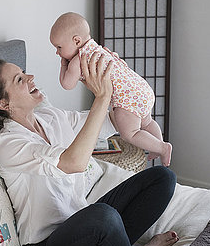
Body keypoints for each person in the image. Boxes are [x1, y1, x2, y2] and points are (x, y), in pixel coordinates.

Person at [0, 53, 179, 246]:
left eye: (24, 73)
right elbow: (74, 163)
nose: (31, 77)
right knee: (104, 215)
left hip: (81, 223)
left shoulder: (52, 117)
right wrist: (101, 97)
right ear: (3, 103)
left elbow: (114, 121)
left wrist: (122, 83)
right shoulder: (7, 144)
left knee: (162, 177)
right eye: (19, 79)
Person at [51, 12, 172, 166]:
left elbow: (66, 84)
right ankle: (157, 144)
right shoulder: (99, 49)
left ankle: (162, 147)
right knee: (147, 123)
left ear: (76, 40)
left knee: (130, 133)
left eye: (59, 47)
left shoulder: (78, 59)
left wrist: (63, 65)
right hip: (142, 89)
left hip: (127, 100)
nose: (57, 52)